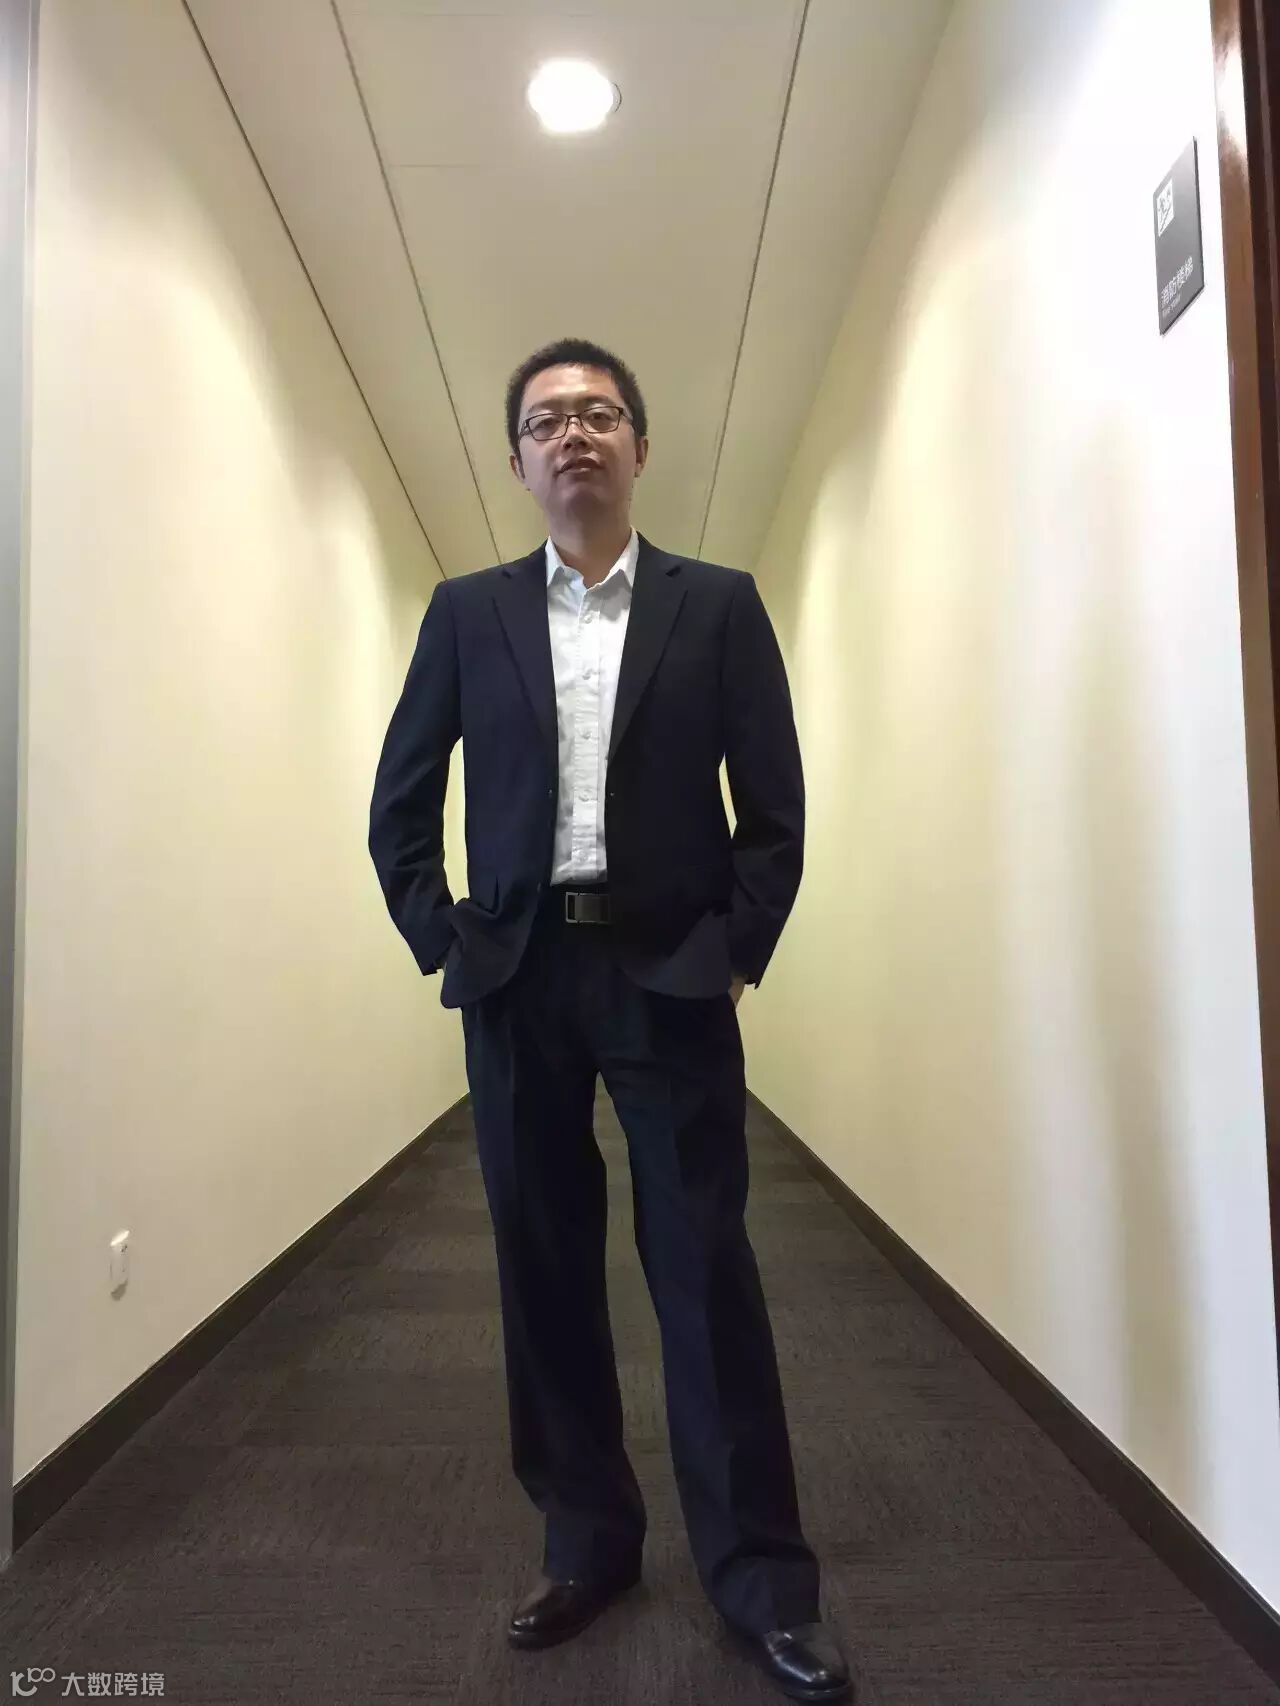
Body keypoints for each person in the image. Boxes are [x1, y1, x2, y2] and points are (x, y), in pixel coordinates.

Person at [368, 336, 853, 1702]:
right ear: (518, 463)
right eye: (546, 420)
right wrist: (446, 939)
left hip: (669, 979)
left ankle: (761, 1579)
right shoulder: (466, 615)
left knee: (705, 1270)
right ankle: (586, 1543)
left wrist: (734, 951)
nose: (572, 433)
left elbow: (774, 811)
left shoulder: (720, 607)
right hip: (518, 980)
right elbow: (400, 803)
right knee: (541, 1267)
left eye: (597, 413)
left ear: (640, 444)